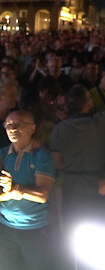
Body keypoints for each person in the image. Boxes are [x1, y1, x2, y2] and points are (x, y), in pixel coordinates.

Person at [0, 110, 56, 270]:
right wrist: (9, 193)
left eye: (17, 124)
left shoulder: (42, 156)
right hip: (5, 227)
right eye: (8, 124)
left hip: (35, 229)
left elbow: (43, 195)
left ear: (32, 129)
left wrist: (18, 191)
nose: (12, 128)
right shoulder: (1, 155)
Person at [50, 85, 105, 269]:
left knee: (75, 240)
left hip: (71, 190)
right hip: (98, 189)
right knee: (99, 240)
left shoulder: (59, 129)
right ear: (88, 103)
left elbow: (57, 162)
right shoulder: (101, 123)